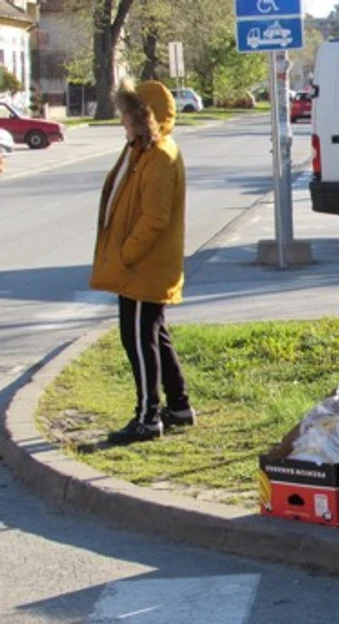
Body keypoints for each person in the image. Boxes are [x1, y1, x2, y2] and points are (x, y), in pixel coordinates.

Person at [89, 80, 196, 445]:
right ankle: (179, 407)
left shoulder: (159, 155)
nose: (122, 122)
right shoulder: (144, 150)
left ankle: (148, 417)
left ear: (143, 117)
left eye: (127, 115)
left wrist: (125, 256)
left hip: (143, 267)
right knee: (153, 335)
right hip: (142, 266)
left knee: (138, 339)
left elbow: (154, 218)